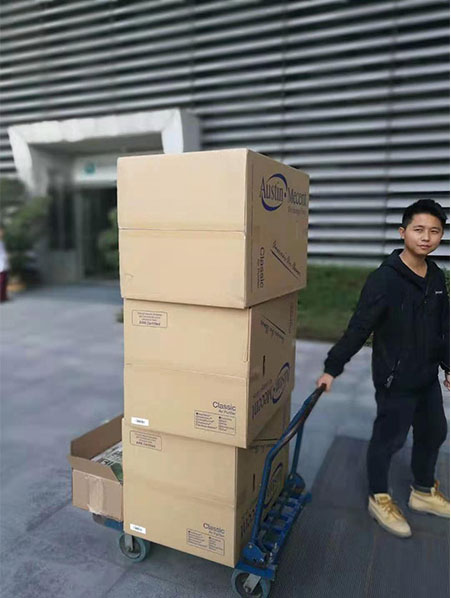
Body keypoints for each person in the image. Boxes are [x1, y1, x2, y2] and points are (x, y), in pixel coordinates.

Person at [316, 199, 450, 538]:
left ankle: (422, 492)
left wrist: (448, 366)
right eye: (419, 230)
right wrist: (332, 368)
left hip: (426, 377)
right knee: (389, 440)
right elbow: (359, 328)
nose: (426, 237)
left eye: (435, 231)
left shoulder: (436, 276)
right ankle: (378, 497)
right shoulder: (385, 280)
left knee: (435, 430)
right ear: (403, 232)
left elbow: (443, 327)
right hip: (395, 379)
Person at [0, 228, 9, 303]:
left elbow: (4, 253)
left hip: (4, 263)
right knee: (2, 281)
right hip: (1, 264)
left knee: (5, 281)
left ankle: (4, 296)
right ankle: (1, 297)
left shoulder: (2, 242)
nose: (2, 233)